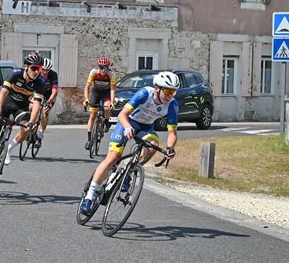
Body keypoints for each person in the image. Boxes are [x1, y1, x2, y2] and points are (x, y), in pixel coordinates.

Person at [79, 71, 180, 215]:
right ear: (157, 88)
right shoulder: (144, 94)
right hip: (127, 122)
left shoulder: (172, 104)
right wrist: (127, 128)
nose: (170, 96)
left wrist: (170, 148)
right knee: (113, 158)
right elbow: (122, 114)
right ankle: (90, 195)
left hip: (145, 127)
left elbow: (172, 133)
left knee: (152, 145)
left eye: (174, 93)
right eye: (168, 91)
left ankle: (129, 171)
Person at [0, 52, 46, 185]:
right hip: (6, 104)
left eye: (39, 69)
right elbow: (3, 92)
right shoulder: (15, 73)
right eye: (34, 68)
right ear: (26, 67)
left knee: (26, 129)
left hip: (20, 108)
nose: (36, 72)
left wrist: (32, 122)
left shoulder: (40, 82)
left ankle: (9, 148)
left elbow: (37, 105)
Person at [83, 56, 116, 150]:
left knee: (107, 108)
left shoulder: (111, 74)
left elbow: (113, 89)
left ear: (108, 67)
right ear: (98, 67)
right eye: (101, 67)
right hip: (96, 93)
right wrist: (86, 99)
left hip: (106, 93)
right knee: (92, 115)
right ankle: (89, 140)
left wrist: (112, 102)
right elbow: (87, 86)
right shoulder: (93, 72)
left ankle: (106, 121)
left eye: (105, 67)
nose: (103, 70)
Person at [35, 58, 59, 147]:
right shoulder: (36, 73)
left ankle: (40, 135)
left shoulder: (53, 75)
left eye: (47, 70)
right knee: (31, 108)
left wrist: (48, 102)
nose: (45, 72)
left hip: (49, 96)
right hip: (38, 93)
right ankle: (32, 128)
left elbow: (55, 92)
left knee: (45, 113)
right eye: (43, 70)